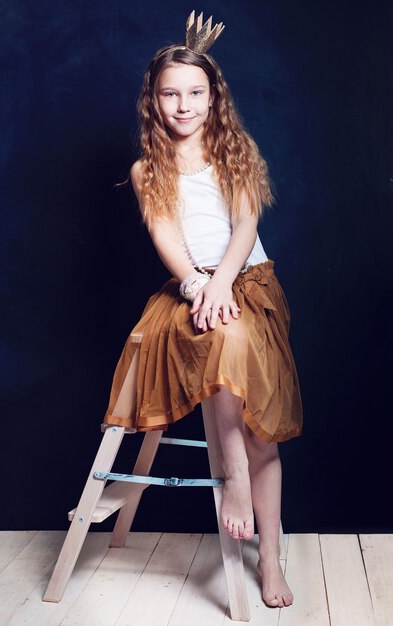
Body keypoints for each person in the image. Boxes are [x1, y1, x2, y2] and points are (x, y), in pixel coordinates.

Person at [104, 11, 303, 609]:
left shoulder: (234, 153)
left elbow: (245, 225)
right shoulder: (148, 170)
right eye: (171, 94)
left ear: (214, 98)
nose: (184, 105)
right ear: (154, 100)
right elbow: (166, 237)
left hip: (248, 281)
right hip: (190, 288)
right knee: (221, 335)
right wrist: (197, 285)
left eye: (195, 93)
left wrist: (224, 285)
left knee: (251, 397)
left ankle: (268, 557)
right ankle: (233, 480)